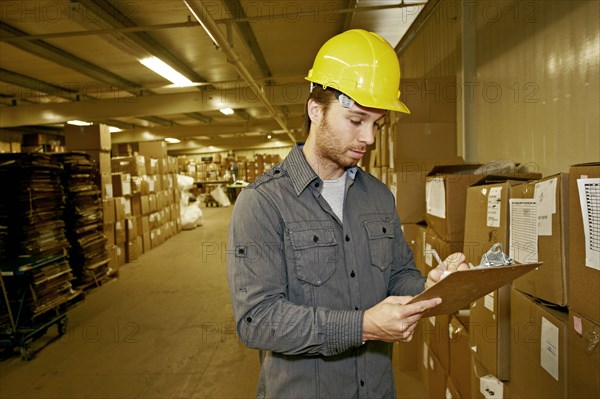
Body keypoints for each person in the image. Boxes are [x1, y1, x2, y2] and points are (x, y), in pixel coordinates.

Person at [227, 29, 468, 398]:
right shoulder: (263, 202)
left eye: (376, 123)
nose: (369, 138)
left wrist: (429, 289)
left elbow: (398, 275)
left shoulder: (379, 197)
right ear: (316, 110)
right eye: (356, 121)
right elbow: (257, 321)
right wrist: (363, 326)